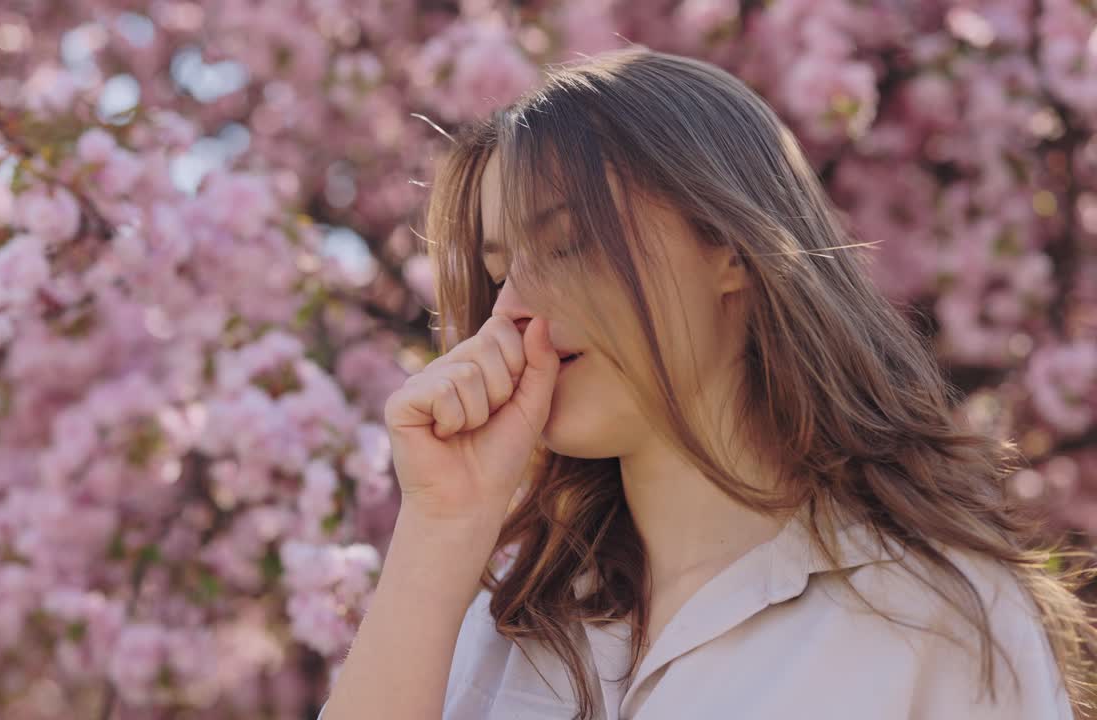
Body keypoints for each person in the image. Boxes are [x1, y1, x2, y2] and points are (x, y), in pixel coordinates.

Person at [316, 47, 1096, 719]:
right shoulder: (498, 615)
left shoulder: (939, 618)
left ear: (729, 247)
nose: (514, 308)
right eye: (498, 272)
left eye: (566, 245)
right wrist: (440, 528)